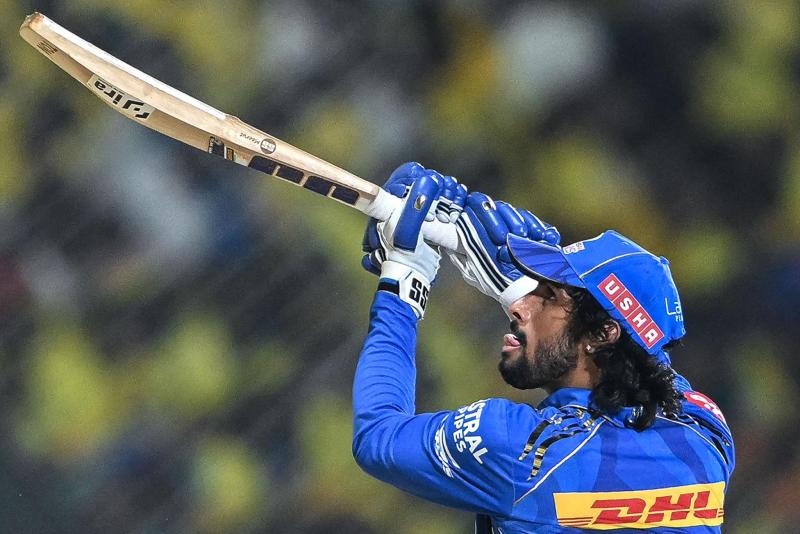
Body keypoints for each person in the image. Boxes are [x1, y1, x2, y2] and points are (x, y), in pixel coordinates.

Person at [353, 163, 734, 533]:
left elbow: (379, 437)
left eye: (549, 296)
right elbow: (651, 359)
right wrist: (522, 290)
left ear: (602, 334)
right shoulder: (704, 435)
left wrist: (403, 284)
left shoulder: (523, 451)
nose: (518, 307)